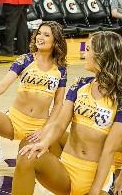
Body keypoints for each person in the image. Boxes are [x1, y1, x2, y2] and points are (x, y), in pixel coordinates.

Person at [14, 31, 122, 195]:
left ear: (102, 55)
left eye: (87, 49)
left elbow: (109, 150)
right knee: (28, 155)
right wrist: (44, 143)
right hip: (67, 170)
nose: (82, 54)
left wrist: (94, 190)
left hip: (94, 177)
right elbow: (60, 123)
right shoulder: (80, 85)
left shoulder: (119, 98)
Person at [0, 21, 67, 172]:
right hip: (14, 122)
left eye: (46, 35)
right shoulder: (25, 60)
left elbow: (59, 104)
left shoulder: (60, 68)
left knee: (27, 162)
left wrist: (45, 129)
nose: (40, 37)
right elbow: (3, 85)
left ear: (56, 41)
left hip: (38, 128)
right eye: (39, 33)